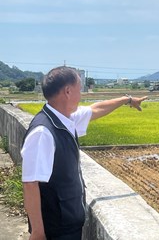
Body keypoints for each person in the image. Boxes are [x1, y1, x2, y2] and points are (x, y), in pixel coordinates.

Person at [21, 66, 147, 240]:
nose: (81, 95)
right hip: (55, 230)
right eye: (79, 89)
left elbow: (96, 109)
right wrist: (37, 233)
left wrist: (128, 99)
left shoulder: (65, 118)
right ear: (67, 91)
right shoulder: (43, 132)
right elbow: (30, 184)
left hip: (68, 223)